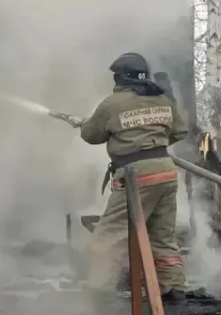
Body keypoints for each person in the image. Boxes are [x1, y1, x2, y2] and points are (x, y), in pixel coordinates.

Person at [65, 53, 189, 301]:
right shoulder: (162, 98)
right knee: (162, 236)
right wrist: (152, 142)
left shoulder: (112, 103)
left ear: (122, 77)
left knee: (108, 236)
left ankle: (98, 291)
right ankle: (173, 289)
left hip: (135, 176)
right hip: (165, 171)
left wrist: (85, 124)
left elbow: (91, 135)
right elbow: (180, 130)